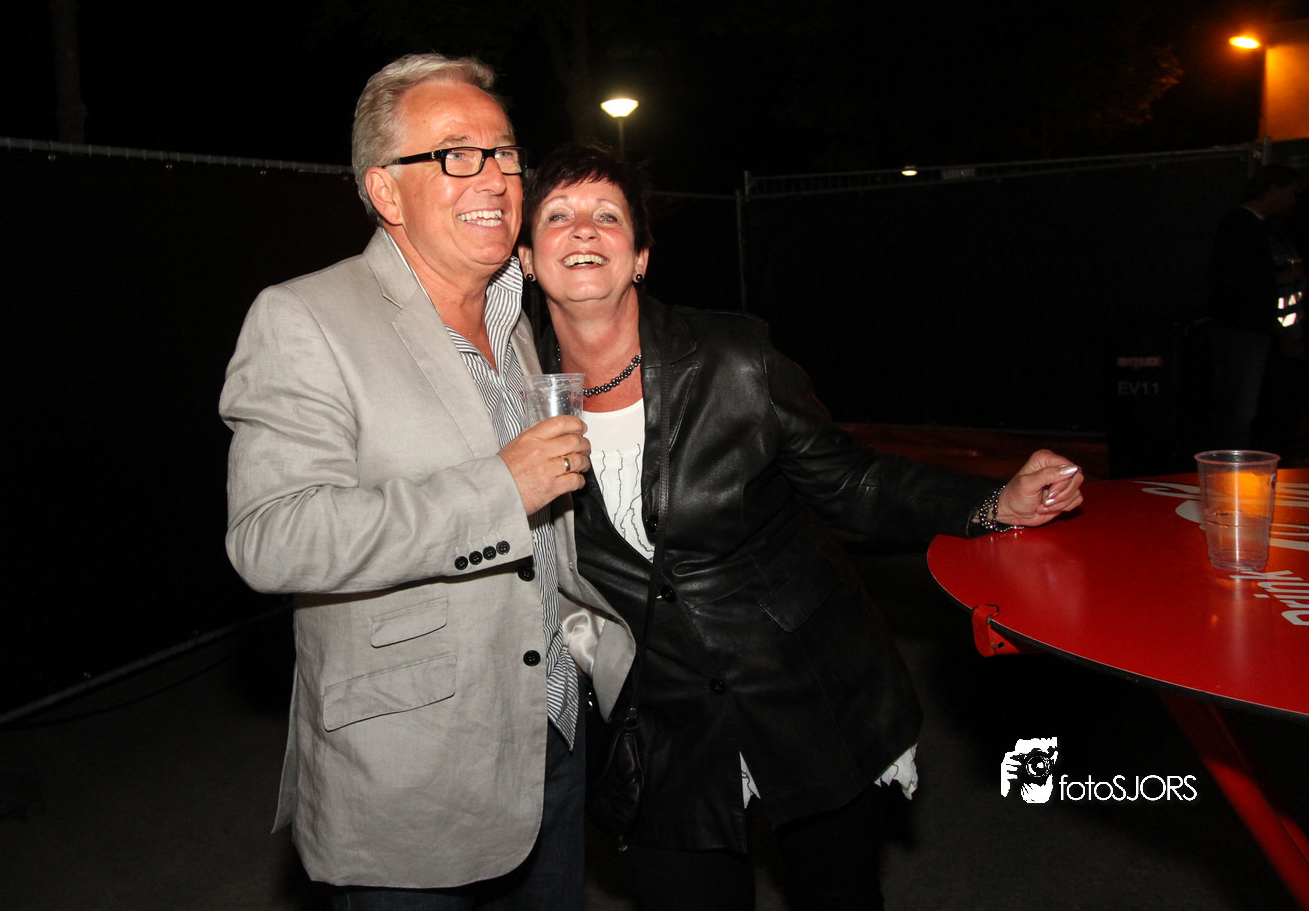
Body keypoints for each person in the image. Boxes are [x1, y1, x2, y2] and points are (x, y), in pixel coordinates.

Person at [515, 144, 1085, 911]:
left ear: (640, 256)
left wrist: (993, 501)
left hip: (803, 686)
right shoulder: (511, 400)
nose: (583, 229)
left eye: (607, 215)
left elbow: (850, 481)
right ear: (526, 258)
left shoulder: (734, 357)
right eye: (557, 215)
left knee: (836, 893)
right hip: (662, 723)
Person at [219, 57, 635, 909]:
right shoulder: (304, 317)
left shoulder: (512, 318)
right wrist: (497, 491)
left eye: (504, 152)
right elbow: (272, 537)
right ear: (385, 189)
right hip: (412, 775)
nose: (494, 177)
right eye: (454, 154)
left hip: (551, 736)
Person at [1206, 163, 1306, 456]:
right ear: (1272, 190)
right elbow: (1237, 280)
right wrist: (1281, 277)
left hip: (1251, 331)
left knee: (1244, 408)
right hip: (1242, 331)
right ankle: (1231, 466)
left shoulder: (1258, 228)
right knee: (1238, 409)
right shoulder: (1240, 225)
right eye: (1291, 192)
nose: (1294, 200)